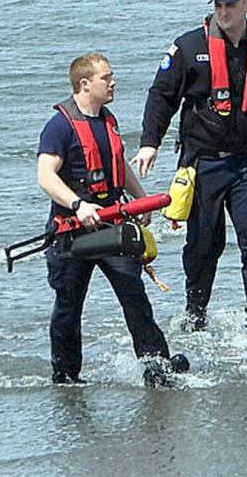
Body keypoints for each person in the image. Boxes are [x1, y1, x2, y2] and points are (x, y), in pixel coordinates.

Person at [132, 0, 247, 333]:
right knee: (204, 246)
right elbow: (161, 96)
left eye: (231, 5)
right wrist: (150, 142)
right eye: (218, 5)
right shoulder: (188, 47)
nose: (224, 12)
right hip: (203, 163)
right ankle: (195, 316)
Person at [36, 53, 187, 386]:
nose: (113, 82)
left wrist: (141, 200)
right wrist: (78, 205)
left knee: (135, 298)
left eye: (111, 76)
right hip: (72, 234)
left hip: (112, 229)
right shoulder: (59, 126)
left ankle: (157, 367)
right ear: (84, 84)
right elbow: (45, 176)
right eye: (106, 77)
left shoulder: (108, 120)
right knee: (68, 307)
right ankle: (66, 378)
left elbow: (120, 165)